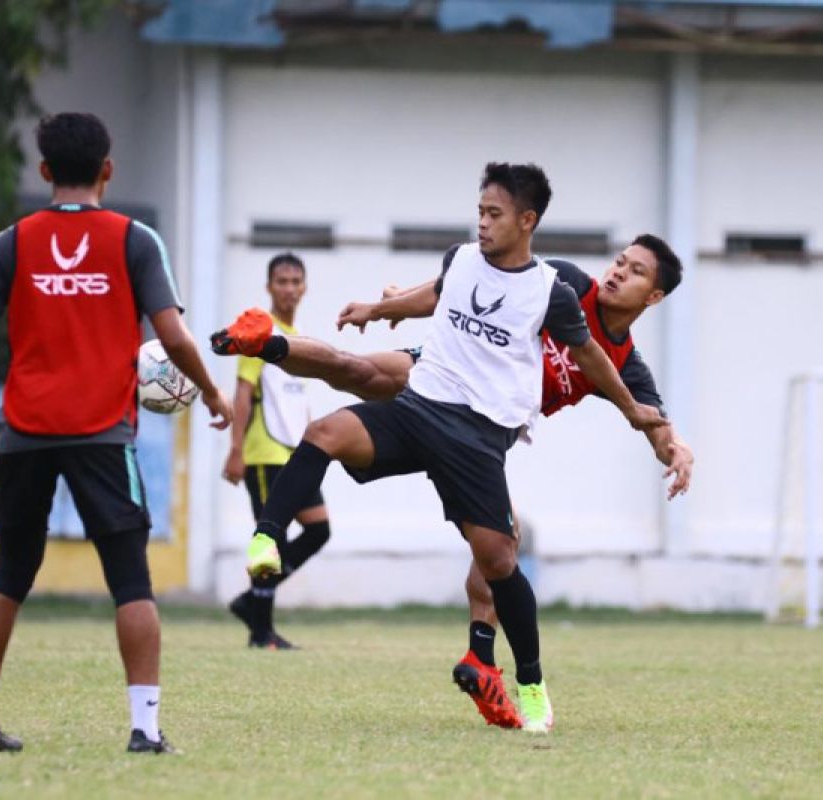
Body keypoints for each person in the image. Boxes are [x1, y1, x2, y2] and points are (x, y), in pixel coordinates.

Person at [235, 162, 666, 734]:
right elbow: (435, 297)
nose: (483, 224)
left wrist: (636, 413)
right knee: (326, 433)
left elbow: (592, 358)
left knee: (498, 562)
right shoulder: (461, 259)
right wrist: (377, 307)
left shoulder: (548, 292)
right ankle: (266, 537)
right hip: (420, 408)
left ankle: (530, 682)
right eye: (480, 212)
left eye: (495, 215)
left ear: (527, 221)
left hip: (477, 438)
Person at [0, 112, 232, 754]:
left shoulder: (10, 242)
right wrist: (211, 392)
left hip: (23, 432)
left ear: (44, 171)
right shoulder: (135, 240)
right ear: (108, 169)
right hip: (103, 435)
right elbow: (174, 335)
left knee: (10, 573)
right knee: (130, 578)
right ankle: (144, 730)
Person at [223, 252, 330, 650]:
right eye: (281, 281)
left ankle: (252, 602)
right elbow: (242, 393)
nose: (288, 288)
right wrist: (235, 450)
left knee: (319, 529)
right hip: (264, 454)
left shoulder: (295, 332)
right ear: (269, 287)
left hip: (295, 455)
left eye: (295, 281)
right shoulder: (260, 333)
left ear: (304, 287)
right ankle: (261, 633)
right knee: (270, 542)